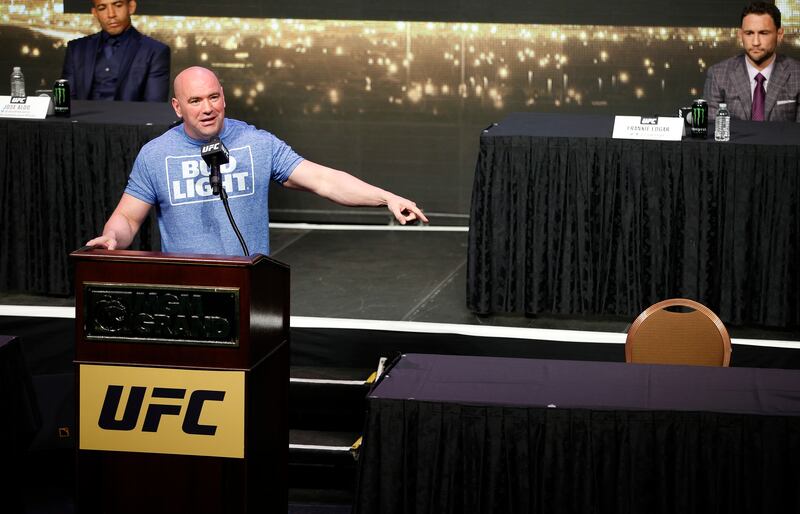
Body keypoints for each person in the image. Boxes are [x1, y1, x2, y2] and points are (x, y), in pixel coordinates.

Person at [86, 66, 428, 255]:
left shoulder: (256, 142)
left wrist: (387, 198)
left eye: (213, 97)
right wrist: (111, 238)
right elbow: (128, 219)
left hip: (251, 285)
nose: (207, 108)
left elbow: (323, 180)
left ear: (224, 99)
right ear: (178, 108)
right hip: (187, 287)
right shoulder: (156, 154)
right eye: (195, 100)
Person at [703, 2, 800, 122]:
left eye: (763, 33)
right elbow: (712, 130)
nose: (755, 42)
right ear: (740, 35)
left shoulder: (797, 74)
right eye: (749, 33)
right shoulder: (718, 75)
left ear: (779, 34)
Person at [61, 0, 170, 102]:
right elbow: (67, 101)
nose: (111, 14)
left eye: (118, 5)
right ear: (95, 13)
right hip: (82, 121)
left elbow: (153, 106)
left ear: (131, 7)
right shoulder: (76, 49)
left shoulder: (155, 51)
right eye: (102, 8)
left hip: (131, 121)